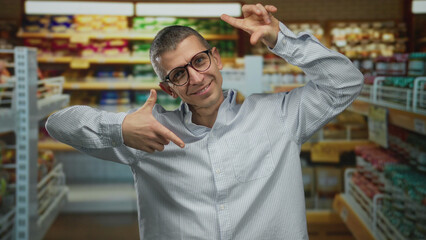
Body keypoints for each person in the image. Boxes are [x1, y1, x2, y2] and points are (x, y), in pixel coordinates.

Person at [46, 4, 363, 240]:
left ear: (217, 58)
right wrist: (120, 127)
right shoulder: (150, 136)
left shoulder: (279, 116)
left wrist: (281, 39)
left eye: (199, 60)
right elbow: (57, 124)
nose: (196, 78)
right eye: (179, 74)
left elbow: (345, 83)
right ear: (168, 89)